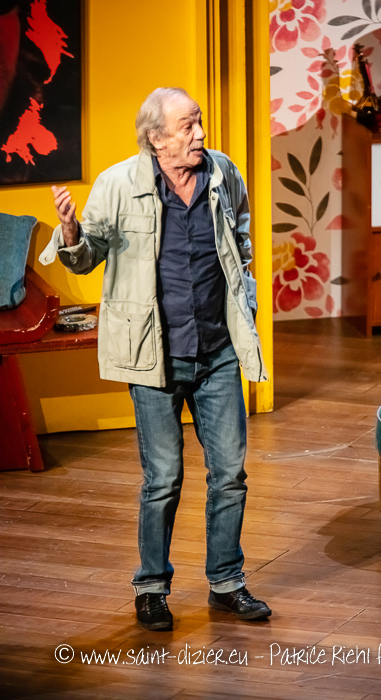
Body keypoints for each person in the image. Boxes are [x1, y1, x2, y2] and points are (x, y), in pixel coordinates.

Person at [42, 87, 271, 631]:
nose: (200, 135)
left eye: (199, 123)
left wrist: (246, 298)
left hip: (217, 350)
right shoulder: (118, 184)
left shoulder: (222, 173)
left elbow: (240, 237)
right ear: (156, 138)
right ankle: (151, 589)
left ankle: (226, 582)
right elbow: (86, 257)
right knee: (163, 478)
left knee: (230, 474)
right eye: (188, 126)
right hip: (154, 355)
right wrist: (70, 232)